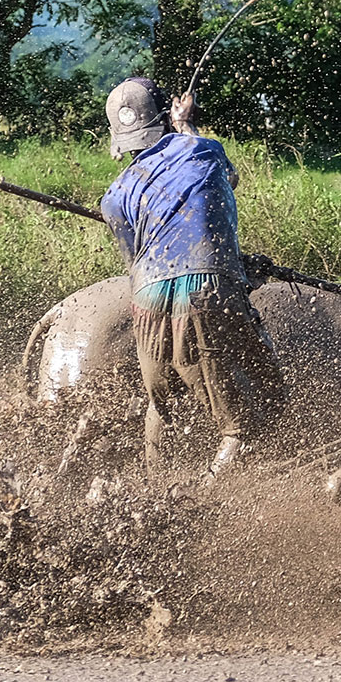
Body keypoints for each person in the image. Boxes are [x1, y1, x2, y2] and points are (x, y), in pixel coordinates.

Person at [99, 76, 284, 472]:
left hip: (146, 298)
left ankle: (153, 496)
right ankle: (210, 500)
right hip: (204, 289)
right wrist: (184, 124)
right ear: (165, 117)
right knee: (249, 417)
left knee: (163, 407)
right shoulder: (203, 150)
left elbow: (139, 265)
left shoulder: (114, 197)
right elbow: (227, 182)